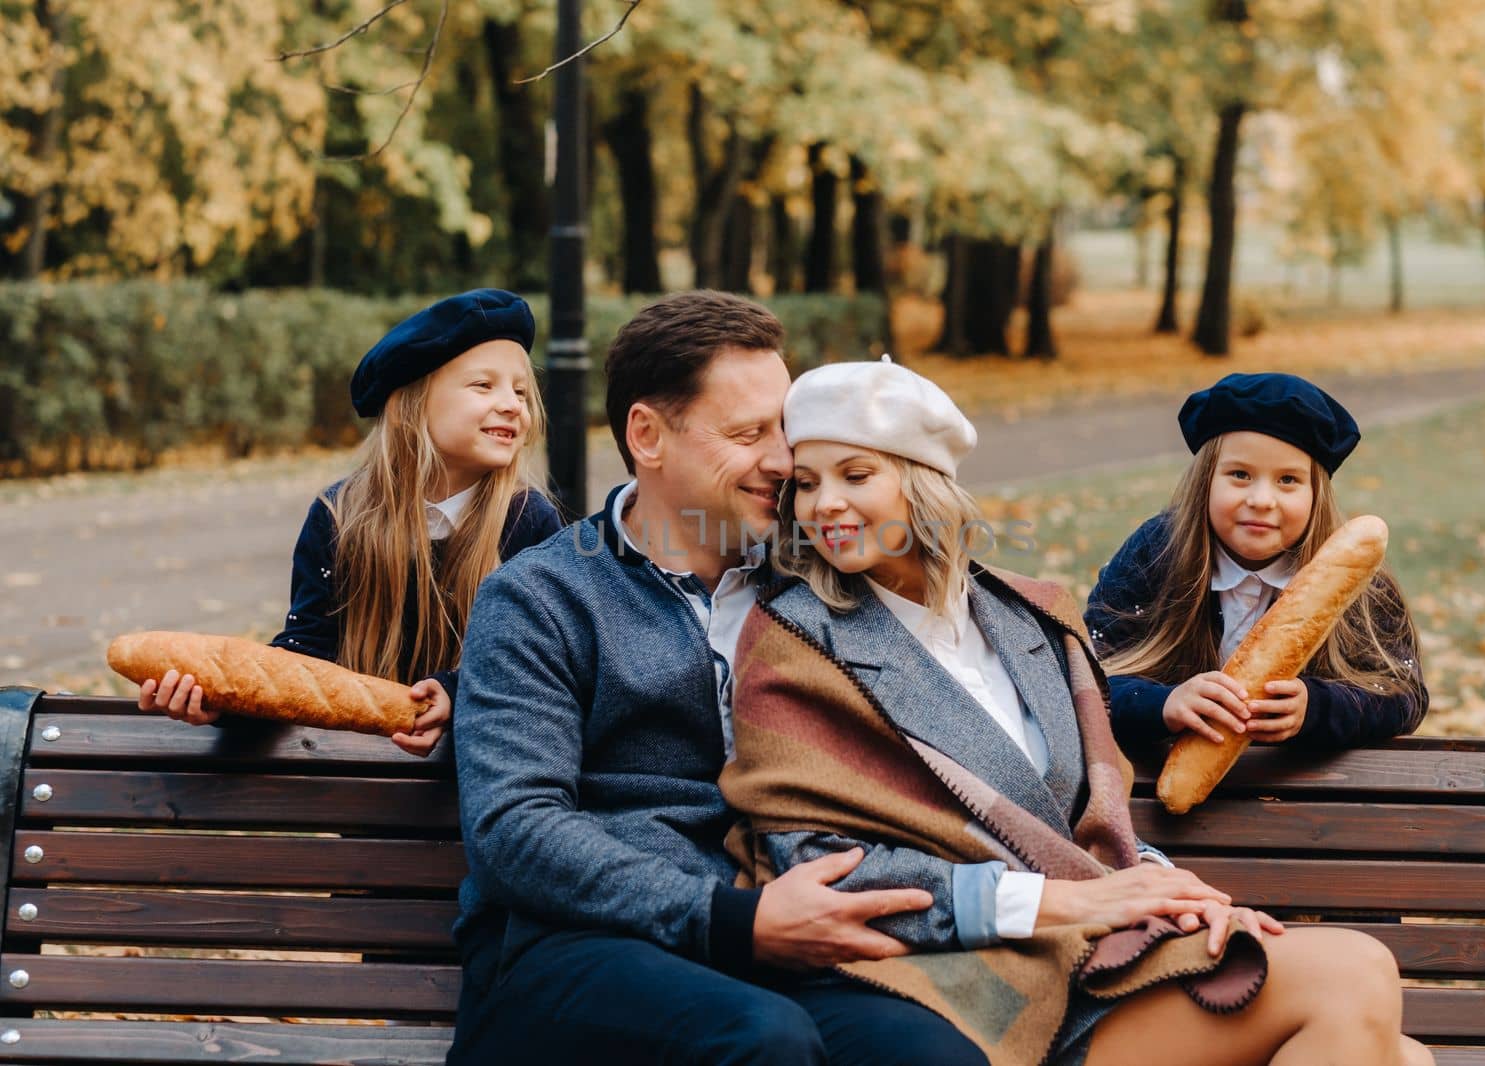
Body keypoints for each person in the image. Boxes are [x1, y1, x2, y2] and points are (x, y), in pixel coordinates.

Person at [721, 357, 1434, 1066]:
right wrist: (1062, 904)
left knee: (1388, 1035)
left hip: (1099, 956)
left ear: (922, 483)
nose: (824, 507)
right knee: (1364, 997)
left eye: (855, 476)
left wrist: (1174, 893)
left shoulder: (1031, 616)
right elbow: (817, 865)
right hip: (962, 981)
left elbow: (1093, 815)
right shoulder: (794, 642)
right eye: (806, 485)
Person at [447, 291, 978, 1066]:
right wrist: (732, 917)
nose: (783, 461)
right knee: (762, 1041)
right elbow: (515, 830)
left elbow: (977, 658)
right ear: (648, 435)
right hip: (573, 950)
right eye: (747, 433)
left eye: (784, 432)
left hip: (770, 939)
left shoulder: (813, 586)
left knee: (931, 1055)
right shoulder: (543, 597)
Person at [137, 289, 562, 757]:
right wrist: (221, 701)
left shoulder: (528, 521)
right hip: (359, 779)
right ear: (412, 405)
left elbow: (538, 663)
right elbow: (305, 660)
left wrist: (457, 693)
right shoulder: (340, 517)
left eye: (521, 391)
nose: (511, 405)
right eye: (484, 385)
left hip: (484, 782)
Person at [1085, 372, 1427, 755]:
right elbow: (1082, 676)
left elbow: (1404, 695)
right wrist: (1161, 705)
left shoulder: (1360, 581)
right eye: (1240, 475)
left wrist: (1315, 708)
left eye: (1287, 480)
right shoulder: (1157, 552)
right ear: (1206, 481)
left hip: (1302, 798)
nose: (1262, 499)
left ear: (1316, 494)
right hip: (1154, 791)